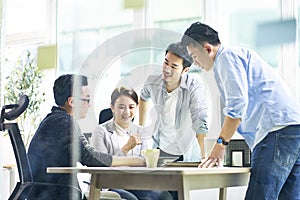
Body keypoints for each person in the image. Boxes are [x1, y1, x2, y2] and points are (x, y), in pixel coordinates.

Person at [181, 22, 300, 200]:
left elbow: (237, 104)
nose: (195, 63)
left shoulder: (225, 58)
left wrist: (220, 144)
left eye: (194, 56)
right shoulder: (237, 55)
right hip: (292, 128)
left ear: (207, 48)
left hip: (276, 130)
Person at [27, 74, 145, 200]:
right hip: (55, 194)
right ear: (71, 101)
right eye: (86, 100)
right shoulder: (63, 122)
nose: (89, 105)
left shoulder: (57, 119)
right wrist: (134, 160)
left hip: (52, 192)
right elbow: (90, 157)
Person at [91, 86, 174, 200]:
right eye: (121, 107)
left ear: (136, 108)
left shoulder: (141, 131)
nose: (127, 112)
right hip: (110, 184)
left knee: (164, 196)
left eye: (131, 107)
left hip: (137, 183)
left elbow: (145, 162)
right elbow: (101, 164)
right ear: (112, 108)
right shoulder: (101, 131)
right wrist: (125, 149)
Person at [139, 42, 208, 162]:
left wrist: (203, 157)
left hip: (184, 150)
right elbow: (144, 97)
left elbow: (200, 121)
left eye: (174, 66)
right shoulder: (152, 81)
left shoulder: (194, 86)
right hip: (160, 147)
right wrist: (141, 128)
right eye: (166, 62)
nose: (167, 69)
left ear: (185, 70)